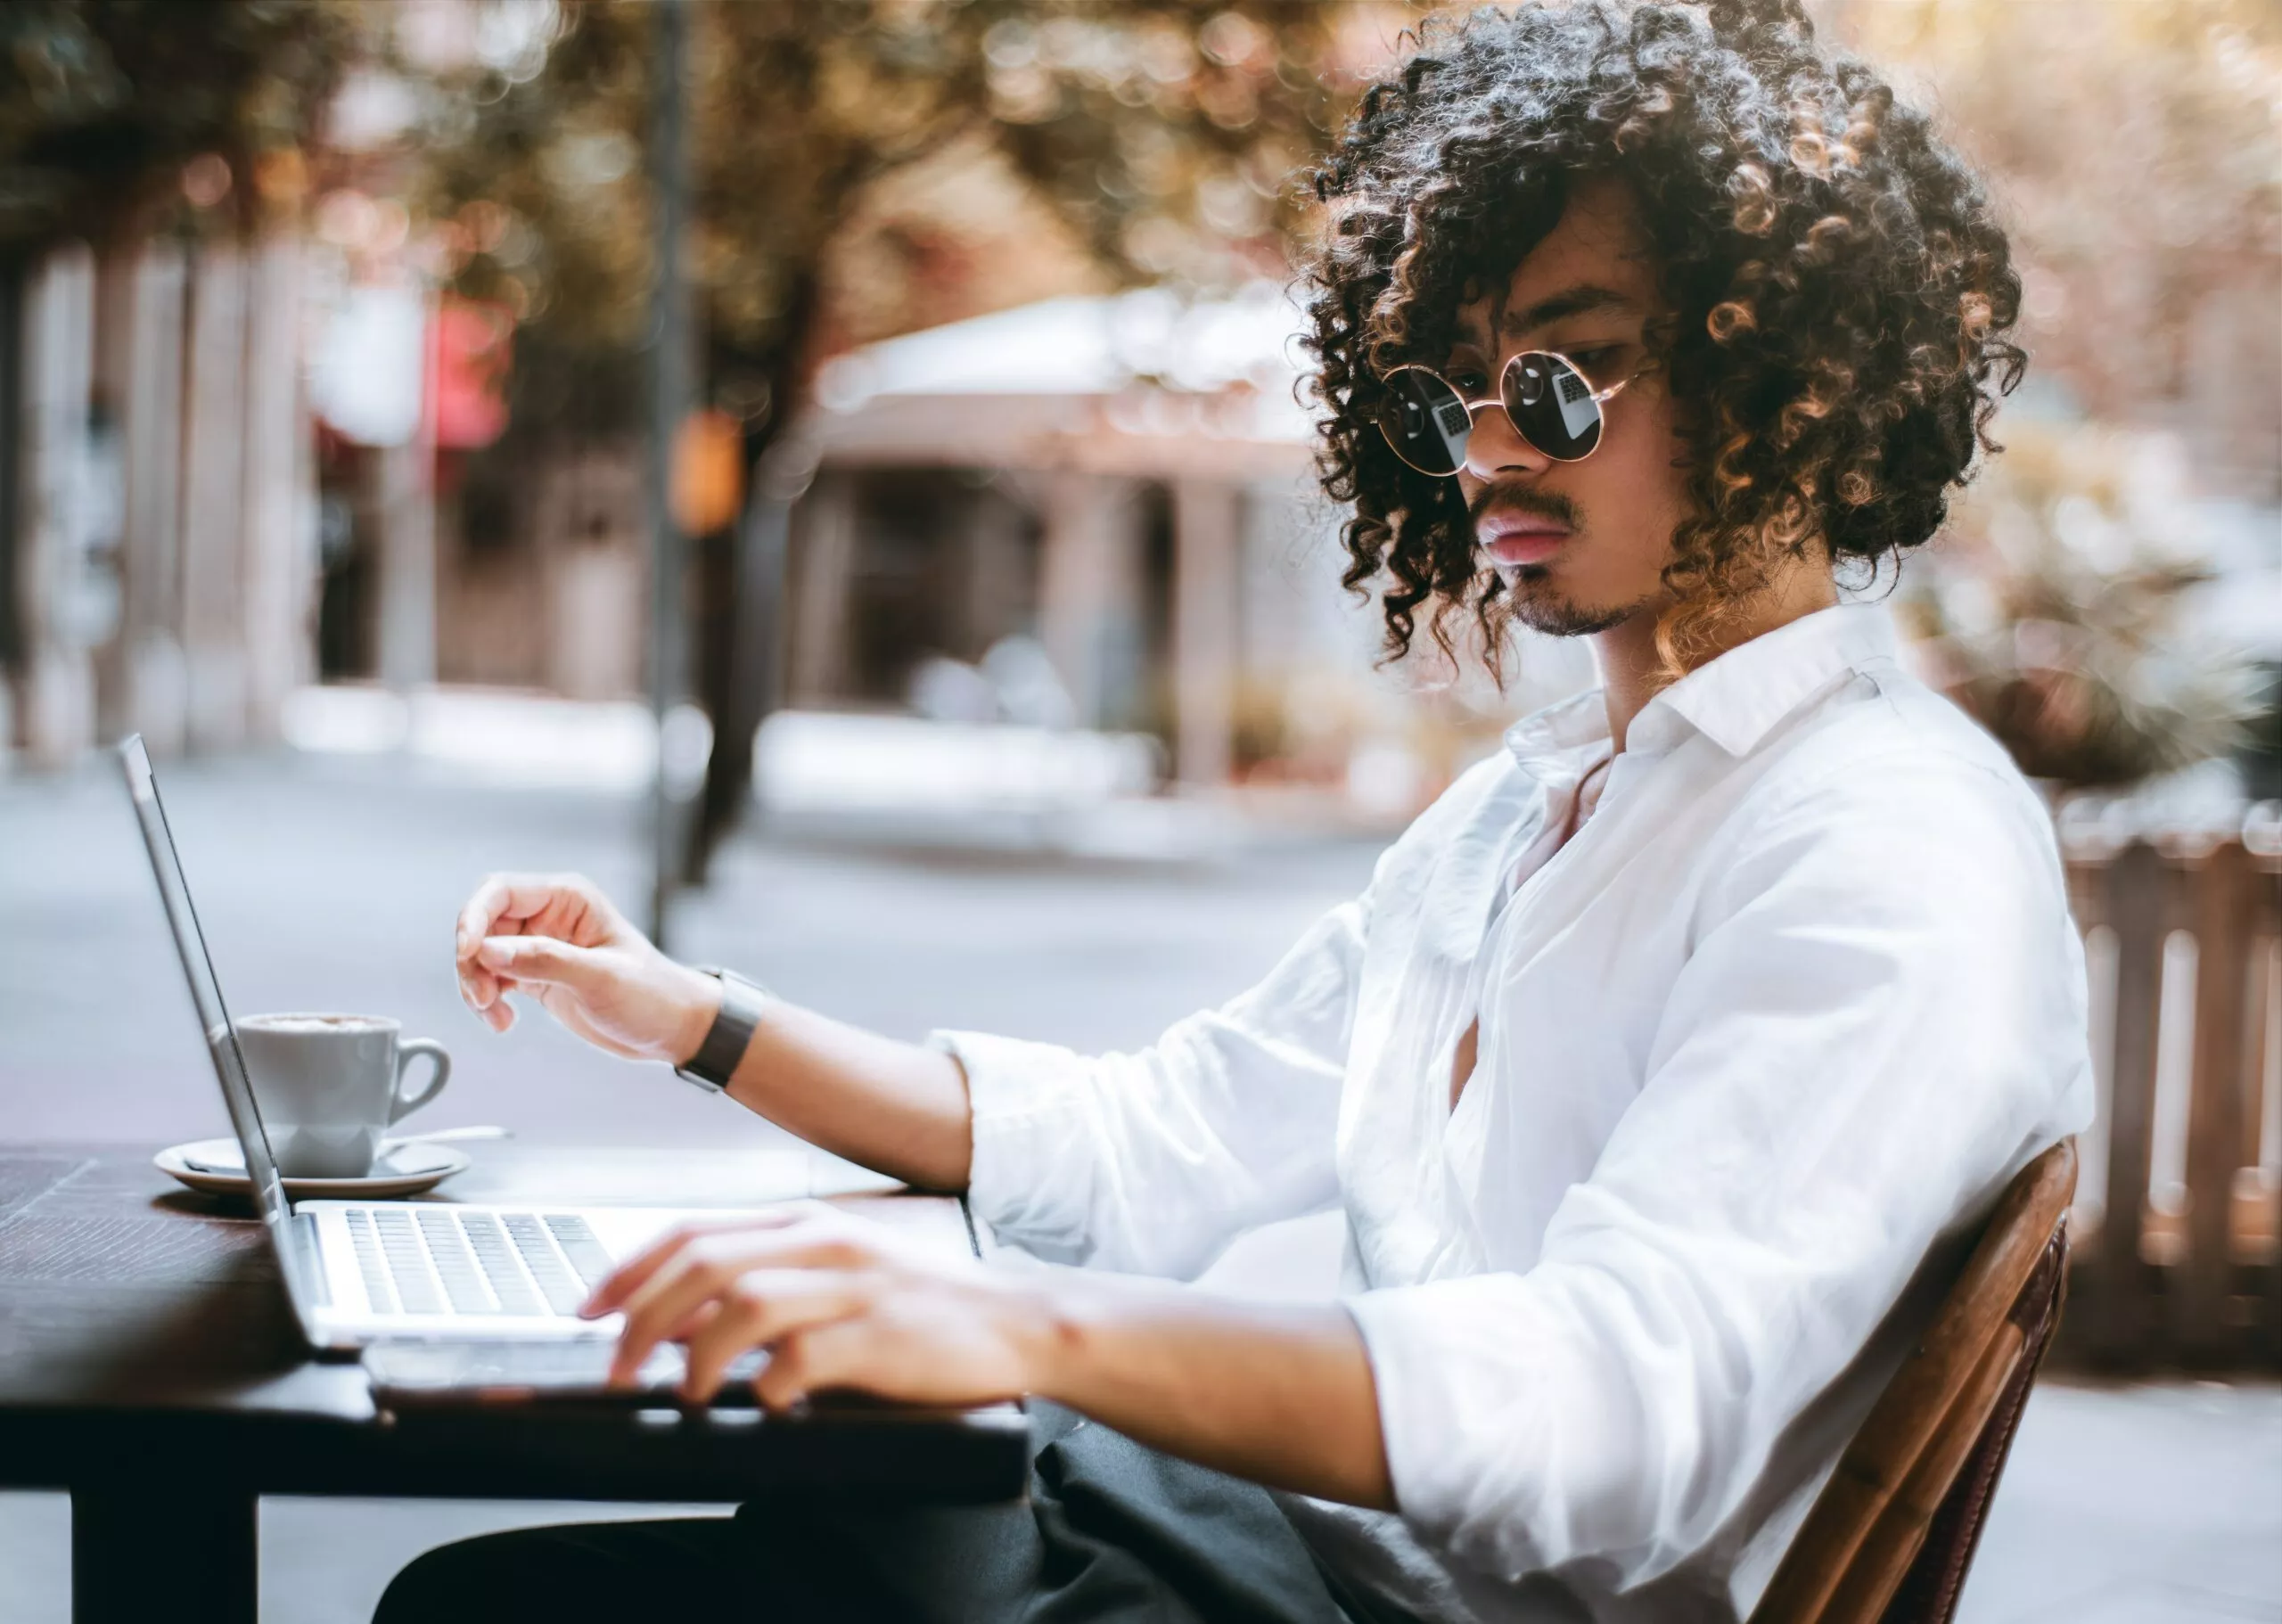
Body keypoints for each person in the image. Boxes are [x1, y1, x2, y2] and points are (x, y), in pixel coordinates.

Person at [377, 4, 2091, 1620]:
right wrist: (690, 1013)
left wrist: (1017, 1326)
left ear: (1791, 385)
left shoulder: (1883, 844)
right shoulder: (1536, 813)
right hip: (1279, 1557)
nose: (1488, 448)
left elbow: (1610, 1404)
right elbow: (1154, 1140)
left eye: (1565, 380)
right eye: (1452, 392)